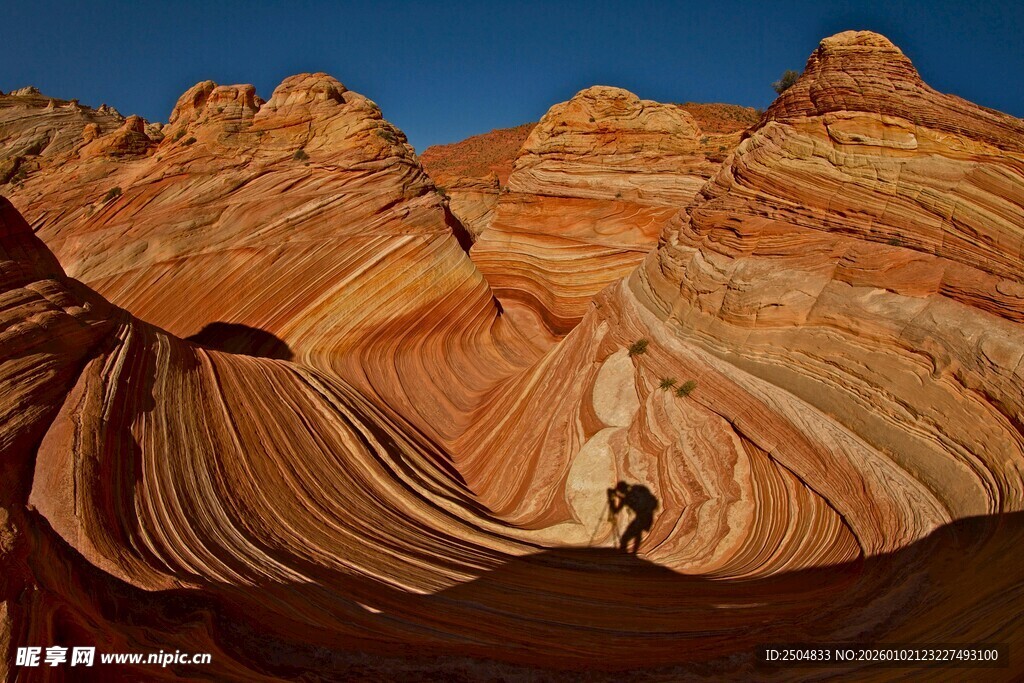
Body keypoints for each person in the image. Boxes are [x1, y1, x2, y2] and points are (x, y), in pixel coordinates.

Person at [607, 481, 658, 554]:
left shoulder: (629, 496)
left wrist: (612, 499)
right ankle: (633, 554)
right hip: (646, 517)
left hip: (643, 517)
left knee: (626, 537)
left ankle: (629, 554)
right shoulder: (634, 491)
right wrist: (612, 500)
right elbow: (616, 510)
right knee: (636, 533)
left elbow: (616, 510)